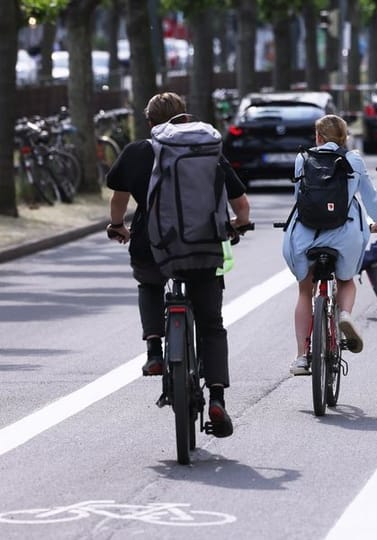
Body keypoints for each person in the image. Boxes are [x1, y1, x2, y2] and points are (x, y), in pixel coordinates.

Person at [106, 92, 251, 438]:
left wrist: (118, 226)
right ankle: (216, 397)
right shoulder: (206, 150)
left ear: (150, 122)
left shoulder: (138, 151)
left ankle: (154, 349)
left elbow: (118, 198)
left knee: (150, 283)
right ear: (185, 118)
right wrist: (237, 225)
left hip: (151, 244)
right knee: (211, 325)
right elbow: (241, 204)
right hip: (202, 245)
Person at [283, 114, 377, 375]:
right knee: (345, 280)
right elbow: (370, 197)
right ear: (345, 136)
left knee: (305, 291)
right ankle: (344, 316)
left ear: (317, 137)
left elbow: (299, 197)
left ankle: (300, 357)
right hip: (345, 234)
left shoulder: (302, 158)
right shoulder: (353, 159)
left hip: (306, 234)